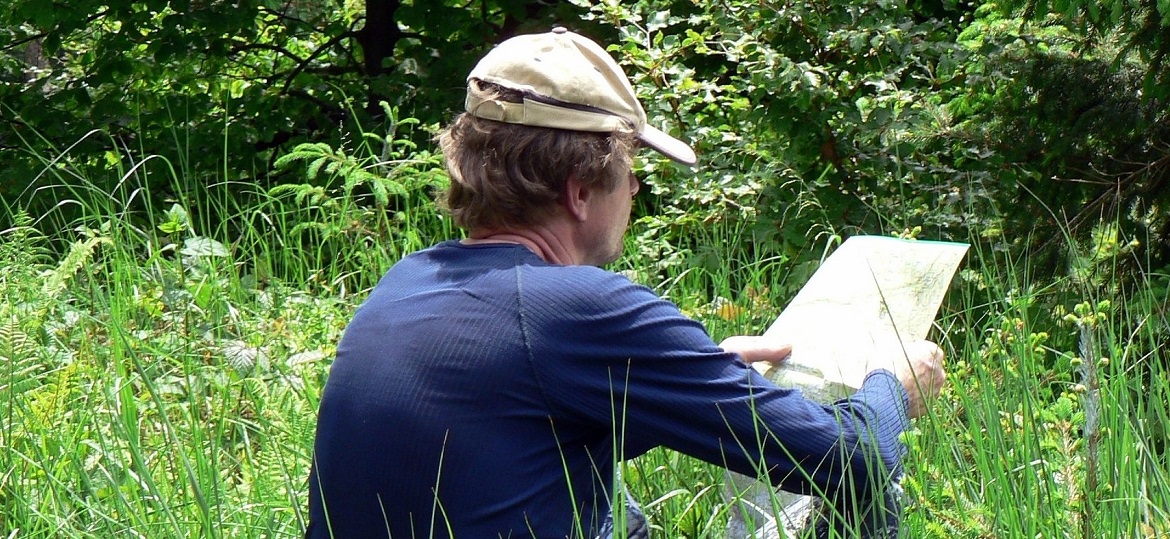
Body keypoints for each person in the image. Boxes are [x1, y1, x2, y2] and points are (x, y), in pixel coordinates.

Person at [304, 26, 946, 539]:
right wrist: (893, 384)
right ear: (581, 190)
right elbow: (853, 459)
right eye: (631, 172)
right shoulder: (579, 308)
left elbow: (514, 436)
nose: (636, 189)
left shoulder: (405, 282)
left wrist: (695, 374)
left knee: (619, 502)